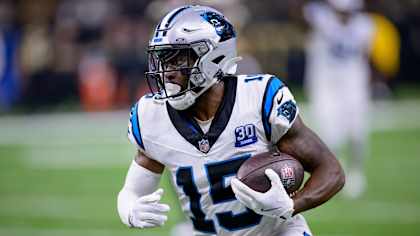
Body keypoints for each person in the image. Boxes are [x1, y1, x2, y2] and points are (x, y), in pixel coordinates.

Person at [118, 5, 345, 236]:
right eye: (164, 60)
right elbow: (132, 192)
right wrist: (129, 209)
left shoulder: (259, 99)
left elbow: (331, 171)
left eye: (178, 60)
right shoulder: (151, 116)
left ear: (214, 56)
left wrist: (292, 206)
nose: (168, 72)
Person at [303, 0, 374, 198]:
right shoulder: (320, 17)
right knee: (330, 134)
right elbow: (303, 12)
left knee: (357, 132)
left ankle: (356, 171)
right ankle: (336, 170)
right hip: (326, 85)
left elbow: (365, 56)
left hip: (353, 84)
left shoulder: (364, 25)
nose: (343, 16)